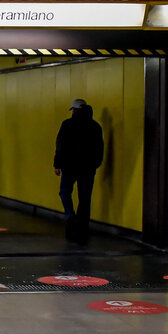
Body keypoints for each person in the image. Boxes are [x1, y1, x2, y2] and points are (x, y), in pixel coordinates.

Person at [54, 99, 104, 243]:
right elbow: (100, 148)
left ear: (75, 110)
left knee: (65, 192)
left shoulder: (67, 124)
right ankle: (82, 226)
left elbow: (60, 146)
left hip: (69, 166)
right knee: (85, 197)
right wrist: (95, 164)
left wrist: (57, 164)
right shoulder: (95, 126)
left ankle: (70, 217)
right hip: (88, 168)